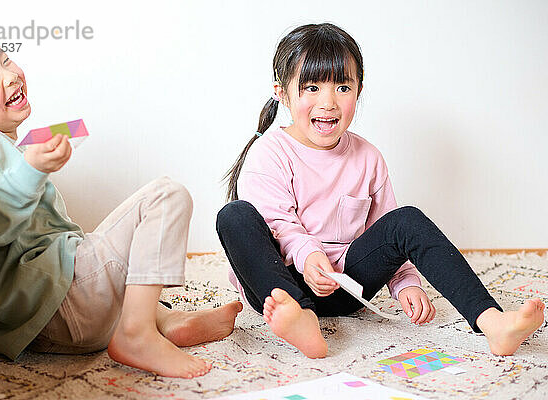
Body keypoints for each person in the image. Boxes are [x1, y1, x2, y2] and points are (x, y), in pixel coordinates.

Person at [216, 22, 544, 359]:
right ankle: (302, 320)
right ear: (282, 93)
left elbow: (386, 229)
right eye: (311, 87)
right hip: (277, 288)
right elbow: (279, 223)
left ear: (359, 89)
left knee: (407, 219)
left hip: (345, 288)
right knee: (234, 215)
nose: (328, 102)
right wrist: (308, 256)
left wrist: (406, 283)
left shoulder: (367, 157)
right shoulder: (269, 153)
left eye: (342, 87)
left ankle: (493, 323)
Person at [0, 20, 242, 379]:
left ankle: (165, 321)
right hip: (56, 302)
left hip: (44, 325)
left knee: (110, 254)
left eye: (6, 60)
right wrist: (31, 169)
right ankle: (138, 334)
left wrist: (32, 161)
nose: (9, 76)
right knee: (168, 196)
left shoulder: (3, 143)